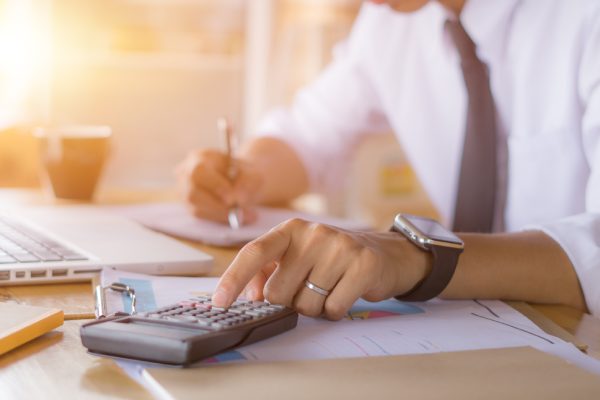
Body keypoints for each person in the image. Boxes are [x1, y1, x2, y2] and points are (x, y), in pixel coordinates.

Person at [177, 0, 600, 320]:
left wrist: (418, 255)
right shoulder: (391, 23)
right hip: (477, 333)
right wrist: (244, 175)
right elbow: (306, 136)